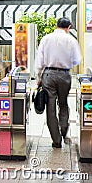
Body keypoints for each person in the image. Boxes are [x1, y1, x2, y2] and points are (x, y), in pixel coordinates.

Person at [35, 17, 81, 148]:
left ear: (57, 25)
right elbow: (77, 60)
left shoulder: (46, 39)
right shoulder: (71, 40)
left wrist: (39, 78)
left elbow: (39, 61)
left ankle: (56, 140)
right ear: (68, 27)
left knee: (50, 108)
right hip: (65, 75)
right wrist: (66, 63)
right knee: (63, 103)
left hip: (49, 74)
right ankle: (64, 128)